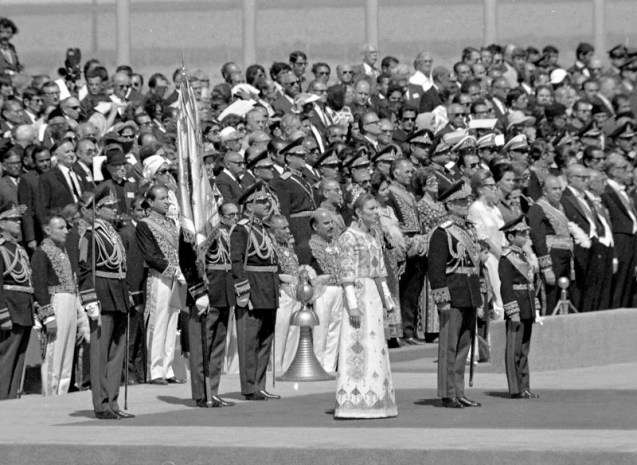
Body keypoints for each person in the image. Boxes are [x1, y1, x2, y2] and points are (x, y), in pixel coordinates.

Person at [335, 193, 397, 419]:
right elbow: (346, 273)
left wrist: (388, 301)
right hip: (358, 294)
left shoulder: (373, 236)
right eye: (371, 209)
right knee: (357, 344)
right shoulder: (349, 237)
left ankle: (377, 398)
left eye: (377, 209)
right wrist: (352, 305)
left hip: (373, 295)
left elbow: (381, 272)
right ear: (359, 212)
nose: (375, 213)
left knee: (375, 344)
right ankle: (354, 400)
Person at [428, 181, 483, 409]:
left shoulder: (468, 230)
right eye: (461, 202)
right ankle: (448, 392)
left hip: (469, 293)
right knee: (449, 347)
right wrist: (442, 300)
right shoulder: (443, 232)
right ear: (450, 204)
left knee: (463, 347)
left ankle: (459, 391)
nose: (466, 205)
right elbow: (436, 269)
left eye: (467, 201)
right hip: (453, 293)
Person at [78, 187, 133, 419]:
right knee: (100, 352)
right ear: (97, 209)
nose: (114, 209)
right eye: (109, 206)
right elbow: (83, 269)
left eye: (114, 205)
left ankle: (113, 402)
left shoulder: (114, 233)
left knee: (117, 351)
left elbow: (120, 266)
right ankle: (101, 404)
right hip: (101, 293)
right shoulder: (91, 235)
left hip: (118, 292)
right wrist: (89, 299)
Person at [231, 182, 280, 401]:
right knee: (249, 341)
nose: (267, 203)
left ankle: (260, 384)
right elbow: (236, 261)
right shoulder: (241, 229)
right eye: (261, 201)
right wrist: (243, 291)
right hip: (252, 289)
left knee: (265, 339)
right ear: (249, 206)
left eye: (267, 200)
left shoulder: (263, 229)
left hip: (268, 288)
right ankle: (250, 386)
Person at [186, 202, 237, 408]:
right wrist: (199, 292)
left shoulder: (225, 235)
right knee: (202, 345)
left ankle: (213, 390)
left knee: (217, 345)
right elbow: (192, 264)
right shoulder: (199, 235)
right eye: (229, 214)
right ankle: (201, 392)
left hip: (223, 293)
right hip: (208, 293)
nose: (234, 218)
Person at [136, 185, 187, 385]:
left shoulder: (172, 224)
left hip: (176, 277)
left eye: (168, 198)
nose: (167, 201)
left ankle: (167, 369)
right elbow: (150, 255)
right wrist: (173, 270)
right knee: (157, 323)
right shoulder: (145, 224)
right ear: (150, 202)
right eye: (163, 198)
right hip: (159, 276)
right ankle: (154, 370)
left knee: (171, 322)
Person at [498, 215, 541, 399]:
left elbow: (531, 283)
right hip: (516, 306)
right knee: (514, 350)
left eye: (526, 233)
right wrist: (512, 310)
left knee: (524, 350)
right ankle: (516, 388)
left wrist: (535, 307)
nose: (525, 237)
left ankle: (525, 386)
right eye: (521, 234)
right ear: (510, 237)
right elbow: (506, 285)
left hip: (527, 305)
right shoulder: (507, 257)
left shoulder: (522, 255)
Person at [297, 209, 343, 372]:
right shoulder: (307, 246)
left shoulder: (336, 244)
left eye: (331, 222)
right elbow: (303, 273)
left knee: (335, 329)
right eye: (326, 223)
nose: (331, 226)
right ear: (315, 227)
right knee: (320, 329)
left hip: (338, 288)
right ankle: (316, 365)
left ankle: (329, 367)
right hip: (321, 292)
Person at [0, 203, 34, 400]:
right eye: (13, 219)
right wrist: (2, 313)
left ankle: (12, 398)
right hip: (10, 307)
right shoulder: (2, 248)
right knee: (6, 356)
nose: (18, 222)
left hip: (23, 307)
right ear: (2, 224)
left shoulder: (17, 248)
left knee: (18, 358)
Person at [527, 175, 574, 313]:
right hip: (552, 257)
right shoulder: (538, 208)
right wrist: (546, 268)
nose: (558, 192)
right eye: (554, 189)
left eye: (560, 188)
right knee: (550, 297)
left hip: (565, 258)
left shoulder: (560, 206)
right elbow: (538, 239)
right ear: (544, 191)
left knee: (563, 296)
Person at [414, 167, 447, 342]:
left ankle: (443, 326)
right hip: (430, 248)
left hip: (445, 249)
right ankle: (430, 329)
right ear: (423, 186)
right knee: (429, 289)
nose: (435, 184)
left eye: (436, 181)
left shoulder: (441, 204)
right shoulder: (420, 206)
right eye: (430, 182)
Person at [468, 170, 506, 318]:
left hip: (501, 254)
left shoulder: (494, 208)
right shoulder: (476, 208)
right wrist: (499, 254)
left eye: (495, 185)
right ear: (480, 189)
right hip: (490, 256)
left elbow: (502, 233)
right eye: (491, 186)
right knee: (496, 293)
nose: (494, 189)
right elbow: (482, 236)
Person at [269, 214, 301, 374]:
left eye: (288, 227)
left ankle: (288, 368)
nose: (288, 231)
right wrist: (283, 278)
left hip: (295, 292)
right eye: (284, 228)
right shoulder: (270, 245)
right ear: (273, 231)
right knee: (280, 332)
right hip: (282, 292)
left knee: (294, 331)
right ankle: (276, 369)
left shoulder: (288, 245)